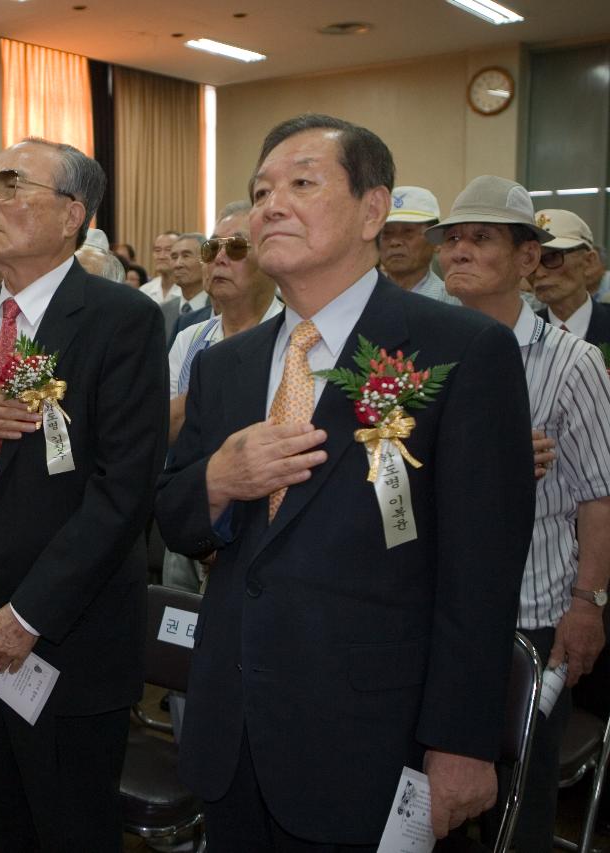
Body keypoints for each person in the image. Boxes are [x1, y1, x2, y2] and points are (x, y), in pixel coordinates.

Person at [155, 115, 535, 849]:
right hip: (232, 727)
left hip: (369, 732)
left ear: (372, 209)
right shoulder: (224, 365)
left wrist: (461, 739)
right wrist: (218, 478)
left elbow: (481, 568)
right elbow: (175, 515)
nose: (271, 204)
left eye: (301, 183)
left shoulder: (459, 349)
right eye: (261, 190)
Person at [0, 137, 168, 851]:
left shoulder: (120, 319)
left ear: (72, 214)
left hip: (61, 633)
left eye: (11, 186)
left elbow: (124, 490)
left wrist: (34, 608)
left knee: (66, 823)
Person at [426, 177, 610, 851]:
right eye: (452, 240)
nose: (459, 253)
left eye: (481, 239)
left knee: (518, 805)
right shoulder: (426, 351)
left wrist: (589, 601)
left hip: (532, 610)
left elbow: (600, 492)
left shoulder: (572, 361)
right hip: (436, 605)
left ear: (528, 260)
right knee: (433, 799)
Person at [166, 201, 282, 447]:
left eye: (236, 247)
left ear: (270, 258)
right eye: (211, 248)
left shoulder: (294, 334)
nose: (219, 258)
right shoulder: (190, 338)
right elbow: (163, 427)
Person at [530, 209, 610, 347]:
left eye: (552, 257)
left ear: (588, 262)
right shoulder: (520, 332)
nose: (539, 273)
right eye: (530, 261)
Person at [380, 185, 457, 303]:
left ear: (436, 241)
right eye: (387, 233)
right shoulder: (362, 299)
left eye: (408, 232)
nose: (395, 242)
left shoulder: (454, 303)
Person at [140, 230, 182, 298]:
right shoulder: (145, 291)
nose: (161, 256)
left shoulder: (188, 290)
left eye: (168, 250)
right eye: (157, 250)